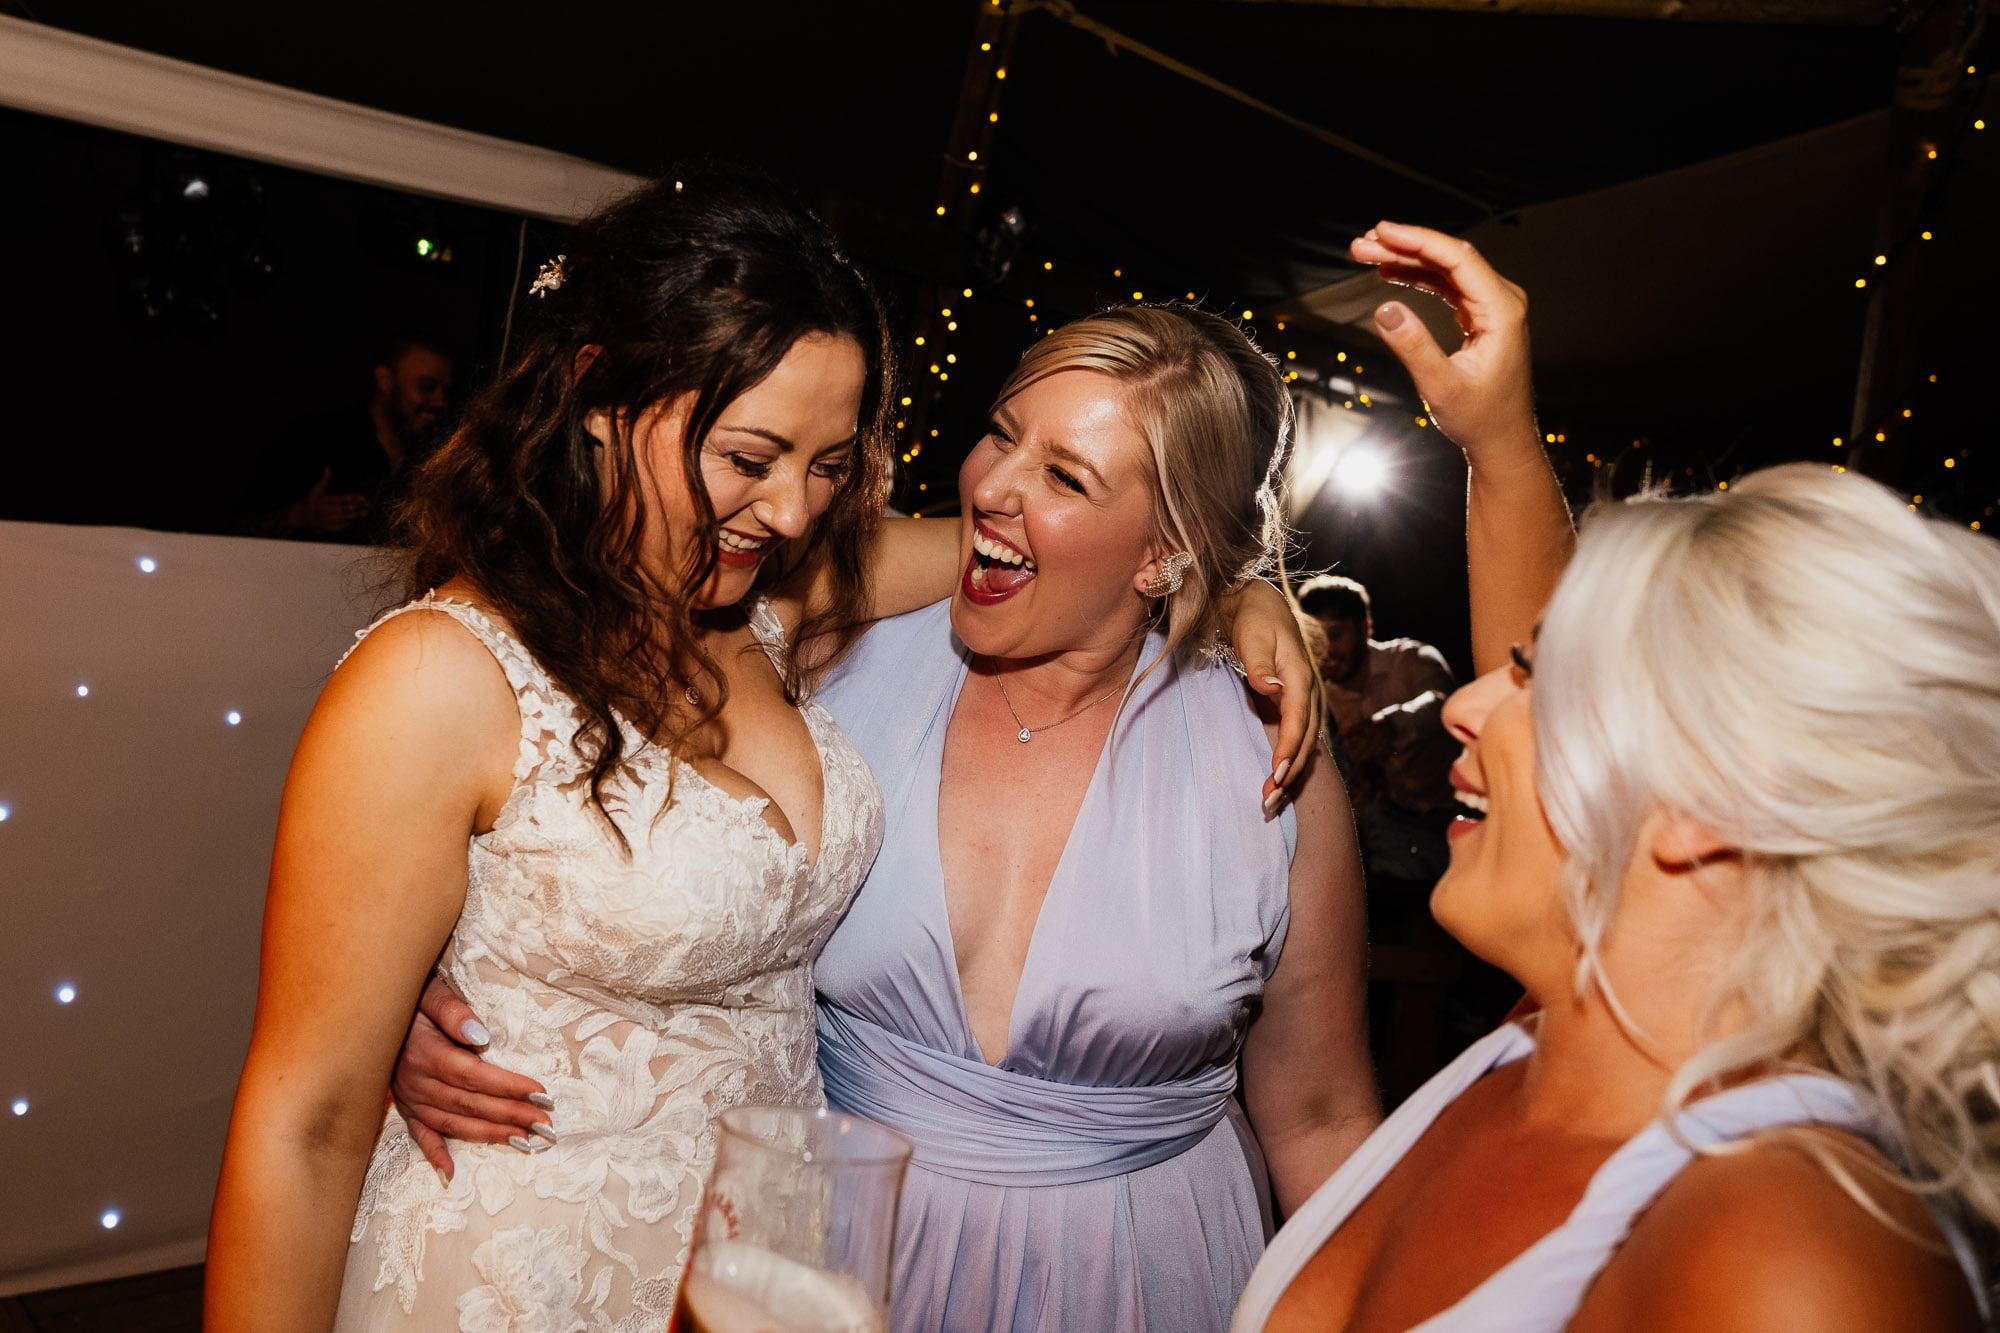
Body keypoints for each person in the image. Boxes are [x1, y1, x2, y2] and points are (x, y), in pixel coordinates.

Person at [396, 220, 1577, 1331]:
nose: (995, 486)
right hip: (834, 1256)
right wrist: (424, 982)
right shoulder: (821, 657)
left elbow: (1317, 1115)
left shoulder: (1267, 751)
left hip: (1140, 1274)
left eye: (1065, 476)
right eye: (1002, 433)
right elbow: (575, 811)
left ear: (1165, 551)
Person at [208, 169, 1324, 1332]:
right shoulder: (439, 676)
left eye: (828, 465)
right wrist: (394, 1012)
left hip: (764, 1276)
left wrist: (1240, 595)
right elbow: (305, 1124)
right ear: (598, 391)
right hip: (516, 1270)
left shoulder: (780, 604)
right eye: (749, 458)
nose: (794, 511)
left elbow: (1049, 549)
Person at [1232, 485, 1999, 1321]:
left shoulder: (1793, 1255)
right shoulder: (1542, 1054)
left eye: (1539, 673)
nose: (1464, 704)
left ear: (1709, 797)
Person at [1297, 573, 1458, 897]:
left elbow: (1444, 704)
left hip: (1456, 817)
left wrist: (1390, 725)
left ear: (1365, 628)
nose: (1326, 650)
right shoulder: (1317, 698)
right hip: (1391, 835)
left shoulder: (1410, 659)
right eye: (1315, 638)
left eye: (1335, 635)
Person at [237, 332, 454, 542]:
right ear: (386, 380)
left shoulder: (440, 459)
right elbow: (243, 526)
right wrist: (298, 516)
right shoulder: (318, 440)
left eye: (446, 391)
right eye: (427, 387)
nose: (440, 401)